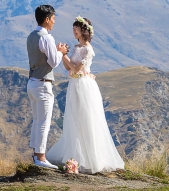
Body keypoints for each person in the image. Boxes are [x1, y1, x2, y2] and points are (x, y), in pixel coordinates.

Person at [46, 16, 125, 173]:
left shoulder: (88, 49)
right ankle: (76, 156)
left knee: (86, 119)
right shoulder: (77, 48)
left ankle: (91, 158)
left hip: (84, 86)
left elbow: (76, 68)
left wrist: (63, 55)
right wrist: (64, 55)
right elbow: (69, 68)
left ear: (84, 31)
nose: (74, 31)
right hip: (75, 84)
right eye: (73, 29)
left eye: (76, 28)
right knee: (74, 118)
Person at [27, 4, 69, 169]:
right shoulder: (46, 38)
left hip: (32, 82)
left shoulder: (31, 36)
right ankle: (41, 157)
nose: (54, 22)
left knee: (37, 120)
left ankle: (36, 155)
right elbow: (53, 62)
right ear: (47, 19)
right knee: (43, 122)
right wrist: (61, 51)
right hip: (43, 84)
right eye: (53, 18)